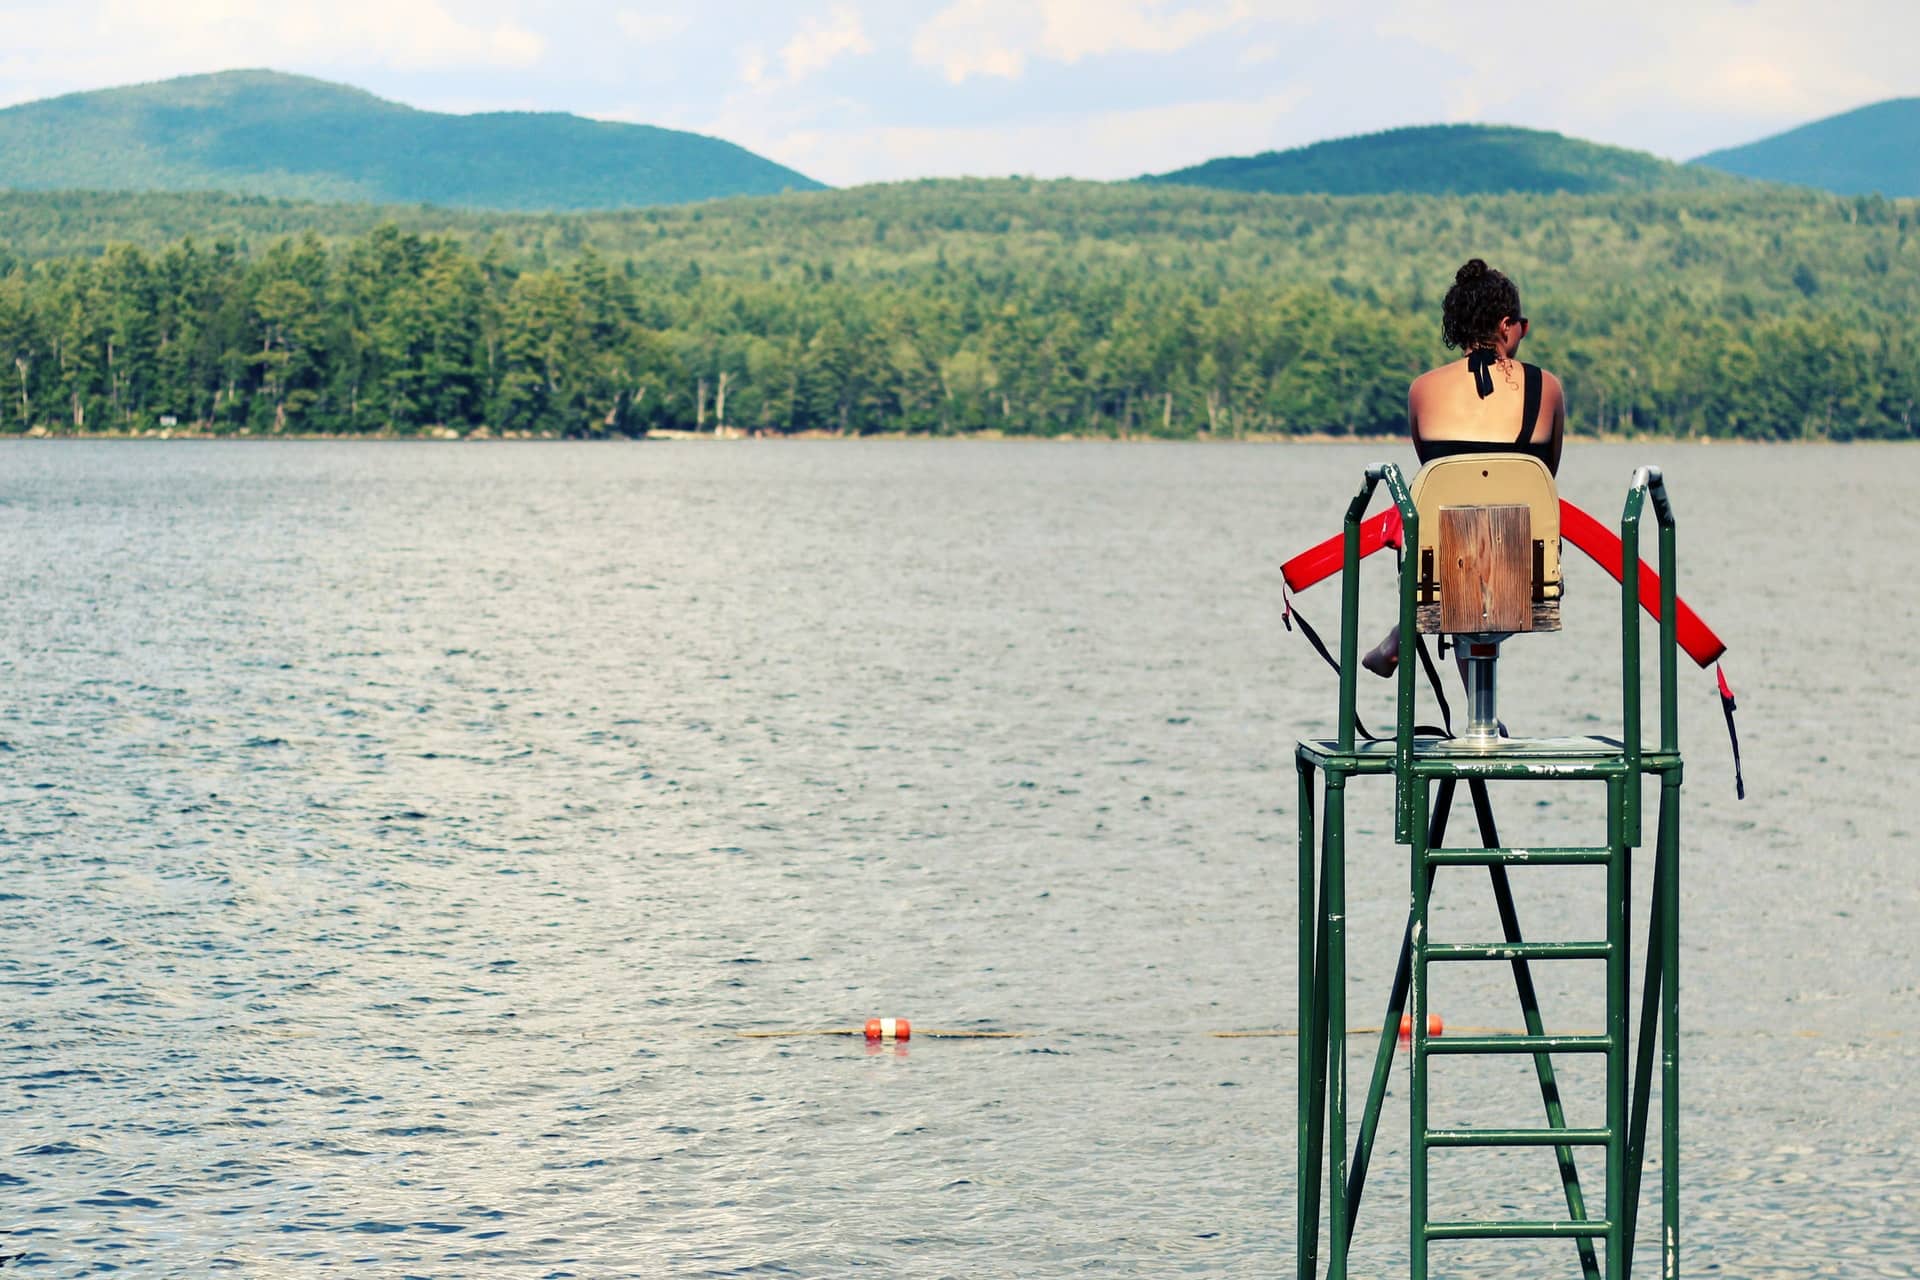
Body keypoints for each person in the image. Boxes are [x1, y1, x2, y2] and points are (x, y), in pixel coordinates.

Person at [1361, 258, 1565, 677]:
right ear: (1508, 326)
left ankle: (1403, 636)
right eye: (1523, 327)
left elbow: (1437, 484)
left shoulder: (1423, 389)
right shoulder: (1547, 387)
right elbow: (1547, 476)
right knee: (1474, 545)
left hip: (1444, 573)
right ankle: (1482, 715)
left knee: (1455, 545)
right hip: (1527, 572)